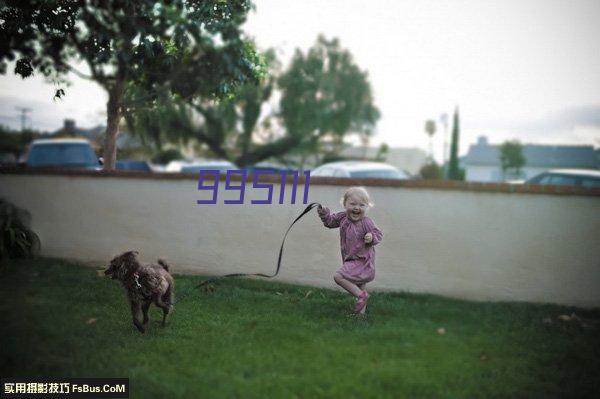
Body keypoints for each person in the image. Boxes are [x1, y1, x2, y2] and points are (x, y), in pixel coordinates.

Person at [317, 186, 383, 314]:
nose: (357, 208)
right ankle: (360, 317)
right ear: (344, 204)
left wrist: (371, 237)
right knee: (360, 287)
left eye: (362, 205)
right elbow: (330, 222)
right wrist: (324, 215)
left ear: (367, 207)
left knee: (338, 277)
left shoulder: (366, 222)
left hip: (363, 260)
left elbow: (378, 234)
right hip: (350, 259)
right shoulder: (342, 218)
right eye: (352, 204)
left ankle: (361, 297)